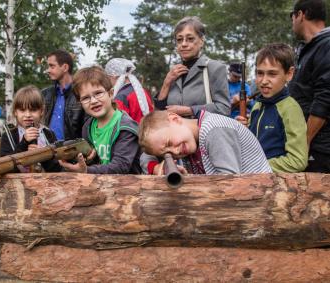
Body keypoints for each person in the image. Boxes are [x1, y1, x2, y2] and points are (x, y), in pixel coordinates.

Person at [236, 43, 308, 173]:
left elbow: (298, 160)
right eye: (260, 73)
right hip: (254, 181)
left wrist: (256, 166)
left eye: (272, 74)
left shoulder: (290, 109)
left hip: (276, 187)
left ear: (289, 74)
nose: (264, 81)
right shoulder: (257, 106)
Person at [59, 66, 142, 174]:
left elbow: (120, 167)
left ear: (111, 94)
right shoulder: (88, 127)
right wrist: (87, 159)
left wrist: (86, 170)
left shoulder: (125, 127)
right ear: (80, 103)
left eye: (98, 93)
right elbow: (96, 162)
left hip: (128, 188)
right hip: (98, 186)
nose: (93, 101)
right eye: (85, 98)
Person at [139, 110, 272, 175]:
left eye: (169, 143)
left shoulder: (214, 129)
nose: (175, 151)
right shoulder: (189, 141)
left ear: (174, 119)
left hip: (260, 201)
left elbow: (229, 184)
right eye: (168, 153)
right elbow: (145, 156)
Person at [154, 16, 230, 117]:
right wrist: (166, 82)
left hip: (202, 132)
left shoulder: (214, 68)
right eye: (179, 40)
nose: (184, 44)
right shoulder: (174, 72)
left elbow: (224, 109)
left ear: (201, 41)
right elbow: (160, 110)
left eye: (190, 39)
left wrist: (189, 110)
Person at [289, 0, 330, 173]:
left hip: (321, 148)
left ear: (301, 15)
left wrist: (305, 141)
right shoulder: (310, 48)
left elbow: (325, 98)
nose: (291, 21)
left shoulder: (326, 45)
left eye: (292, 16)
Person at [0, 85, 61, 172]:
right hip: (17, 183)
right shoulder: (8, 136)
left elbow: (56, 169)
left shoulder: (48, 134)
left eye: (33, 110)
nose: (28, 115)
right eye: (22, 110)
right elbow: (5, 167)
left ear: (42, 111)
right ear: (15, 112)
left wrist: (42, 155)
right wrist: (24, 143)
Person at [42, 50, 84, 141]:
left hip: (73, 150)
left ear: (65, 67)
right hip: (47, 150)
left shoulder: (81, 93)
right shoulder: (45, 94)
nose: (48, 70)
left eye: (52, 66)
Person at [104, 58, 154, 123]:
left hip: (131, 132)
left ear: (113, 76)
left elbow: (118, 122)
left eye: (108, 77)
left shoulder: (121, 97)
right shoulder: (142, 91)